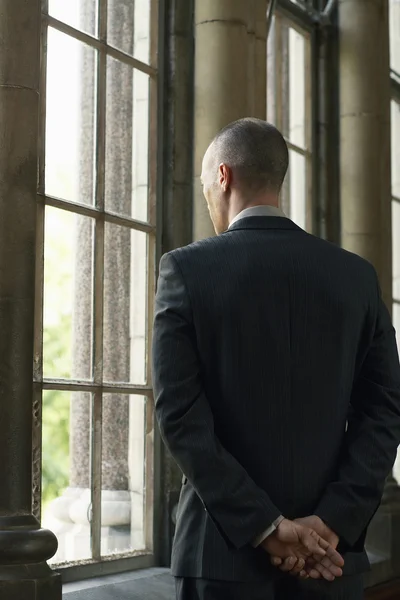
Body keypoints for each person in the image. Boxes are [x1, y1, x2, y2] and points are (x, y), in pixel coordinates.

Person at [151, 118, 400, 600]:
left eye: (206, 183)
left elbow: (180, 417)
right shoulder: (357, 278)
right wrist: (331, 523)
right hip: (330, 562)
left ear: (223, 176)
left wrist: (265, 527)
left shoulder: (185, 270)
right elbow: (384, 412)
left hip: (221, 559)